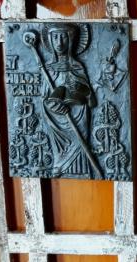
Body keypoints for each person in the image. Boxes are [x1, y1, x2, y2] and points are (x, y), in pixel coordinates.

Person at [40, 23, 98, 178]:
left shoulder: (78, 67)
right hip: (57, 122)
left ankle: (84, 173)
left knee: (81, 150)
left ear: (71, 39)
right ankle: (60, 167)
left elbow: (92, 102)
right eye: (55, 37)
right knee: (61, 156)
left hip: (79, 118)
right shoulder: (48, 68)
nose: (59, 42)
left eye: (63, 36)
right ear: (50, 40)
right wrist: (52, 106)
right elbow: (43, 100)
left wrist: (84, 90)